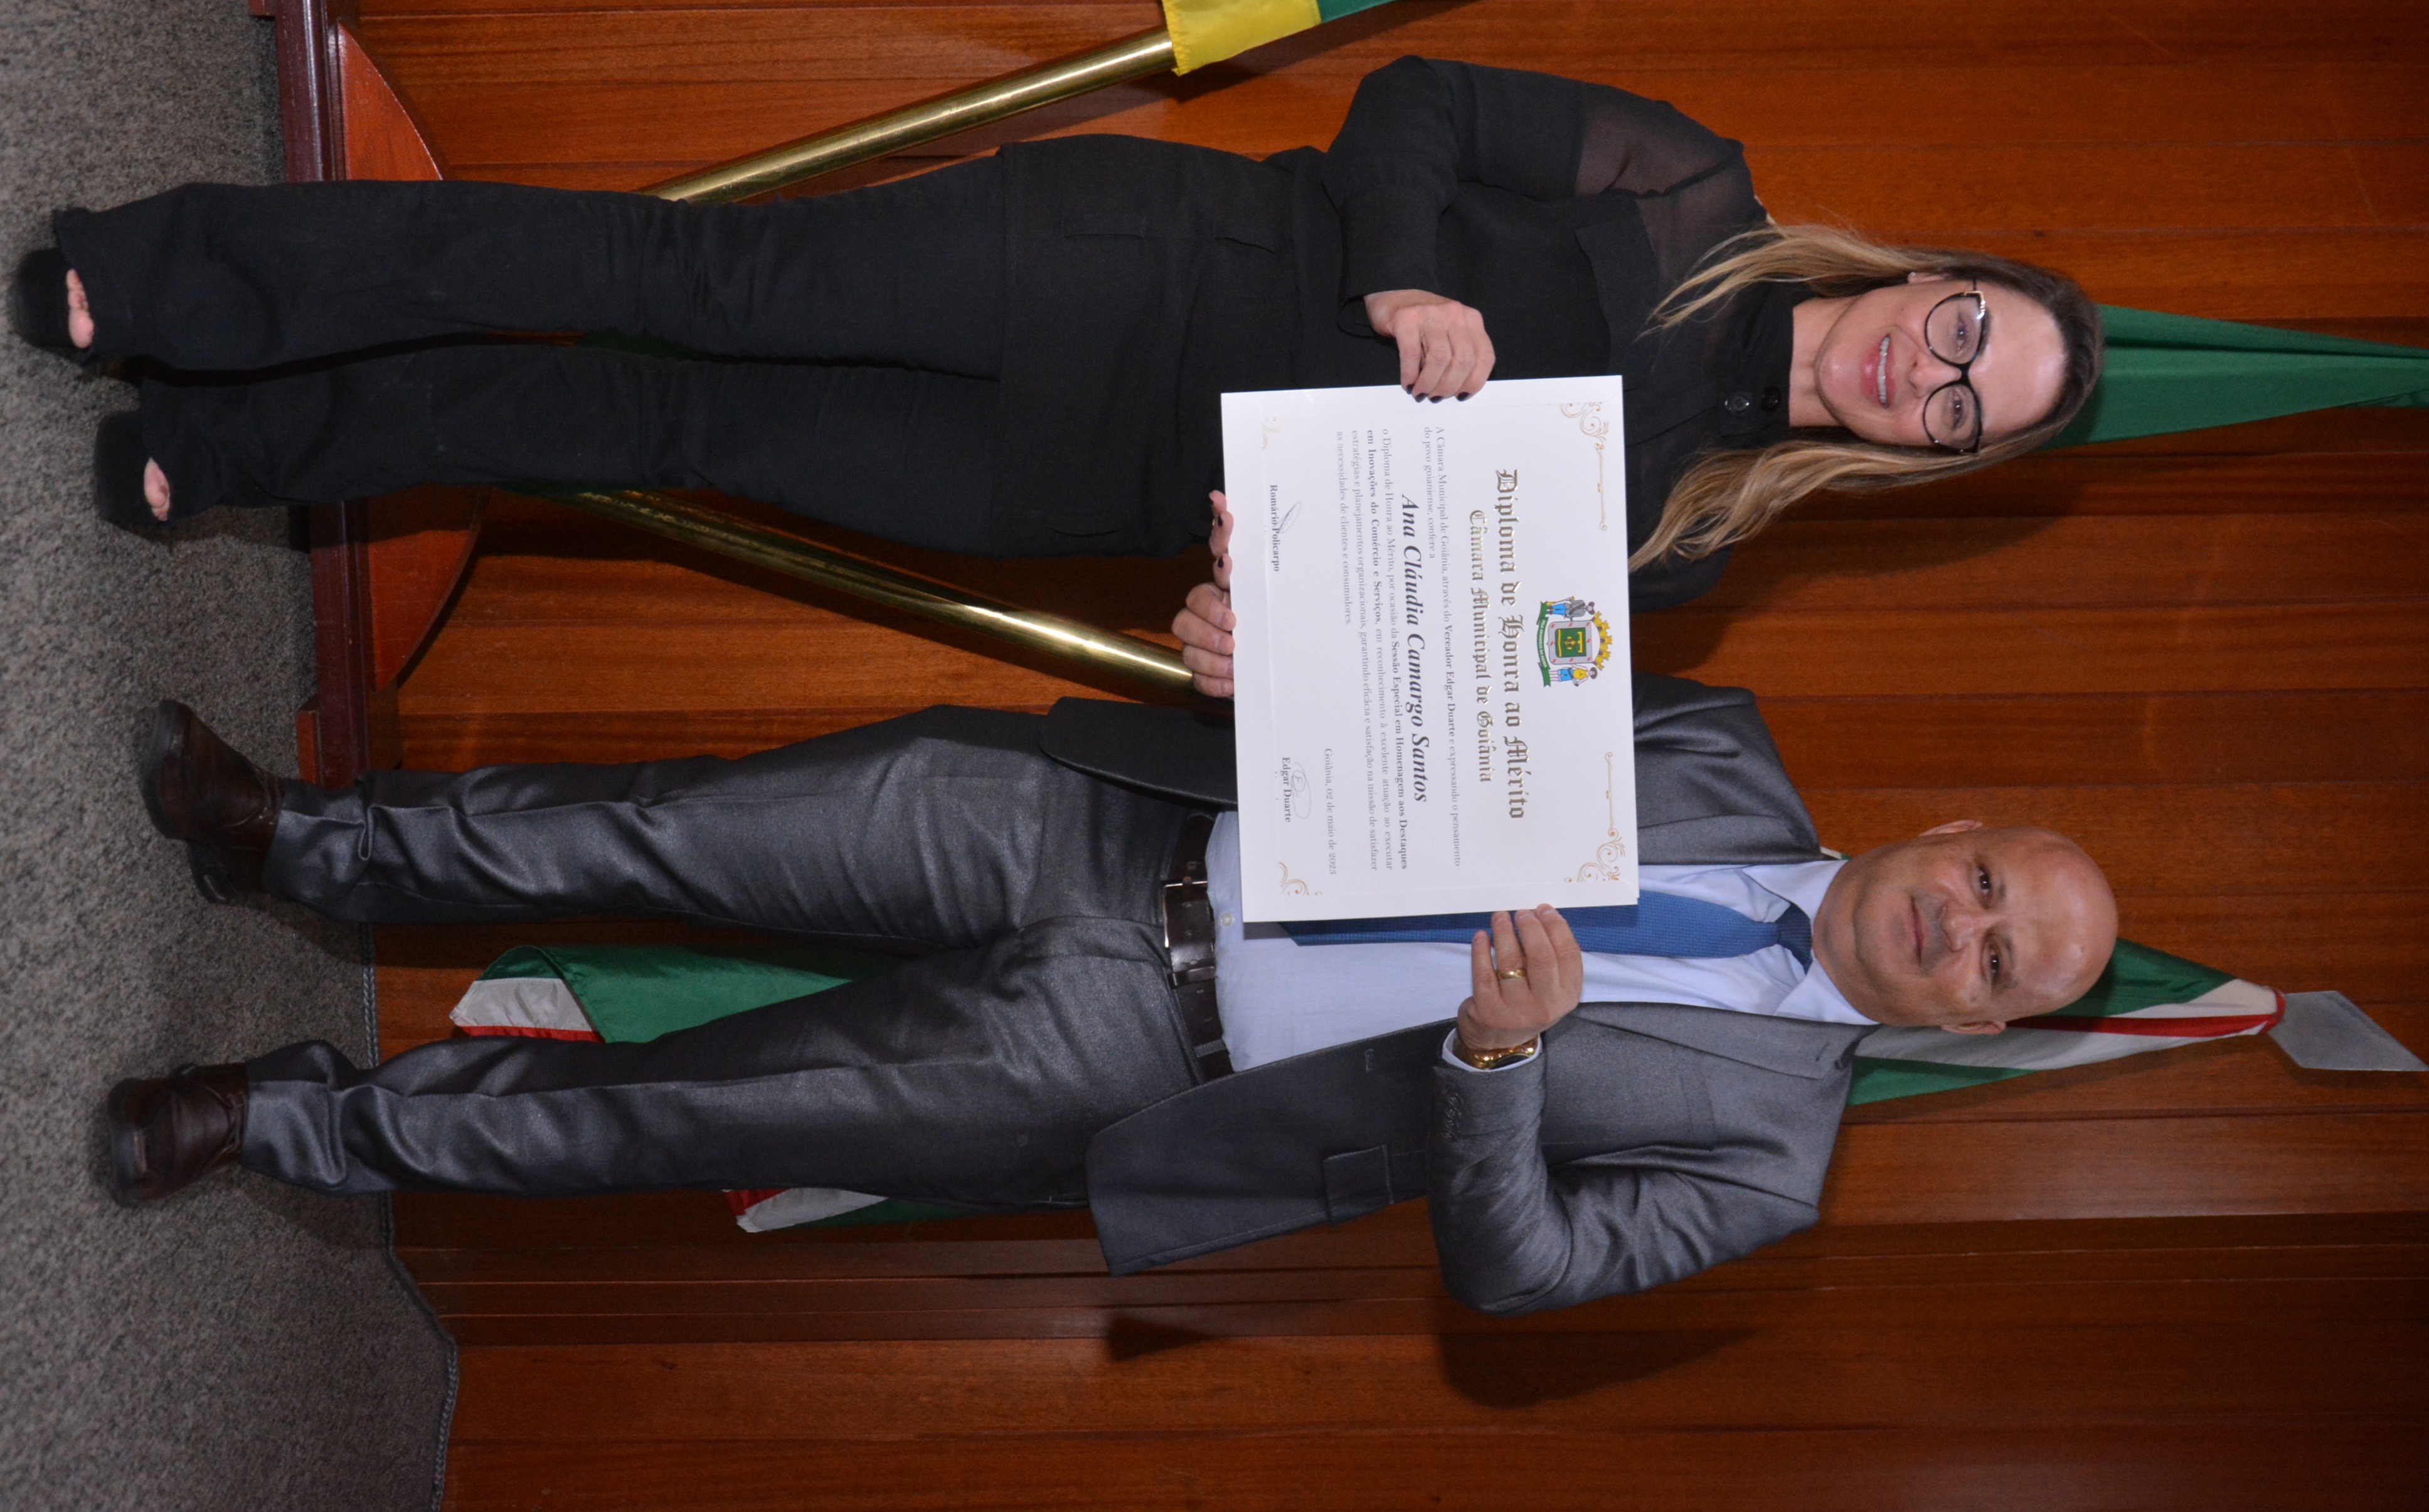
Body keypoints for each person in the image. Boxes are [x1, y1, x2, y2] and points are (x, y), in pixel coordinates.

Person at [110, 679, 2117, 1313]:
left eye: (2002, 964)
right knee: (668, 831)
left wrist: (1500, 1062)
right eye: (1987, 886)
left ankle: (296, 1120)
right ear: (1956, 829)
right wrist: (1282, 634)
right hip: (1111, 818)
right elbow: (1447, 680)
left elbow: (1521, 1274)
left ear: (1987, 1027)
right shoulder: (1720, 743)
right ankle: (295, 839)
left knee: (678, 1114)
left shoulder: (1768, 1170)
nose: (1965, 931)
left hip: (1129, 1063)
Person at [18, 57, 2102, 611]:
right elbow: (1420, 108)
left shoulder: (1691, 544)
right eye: (1965, 330)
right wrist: (1401, 277)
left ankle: (251, 447)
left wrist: (1259, 627)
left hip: (1084, 481)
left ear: (1932, 462)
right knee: (676, 282)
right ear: (1936, 270)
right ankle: (181, 278)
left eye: (1959, 414)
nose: (1920, 375)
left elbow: (1407, 631)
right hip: (1115, 265)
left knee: (657, 437)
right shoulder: (1686, 192)